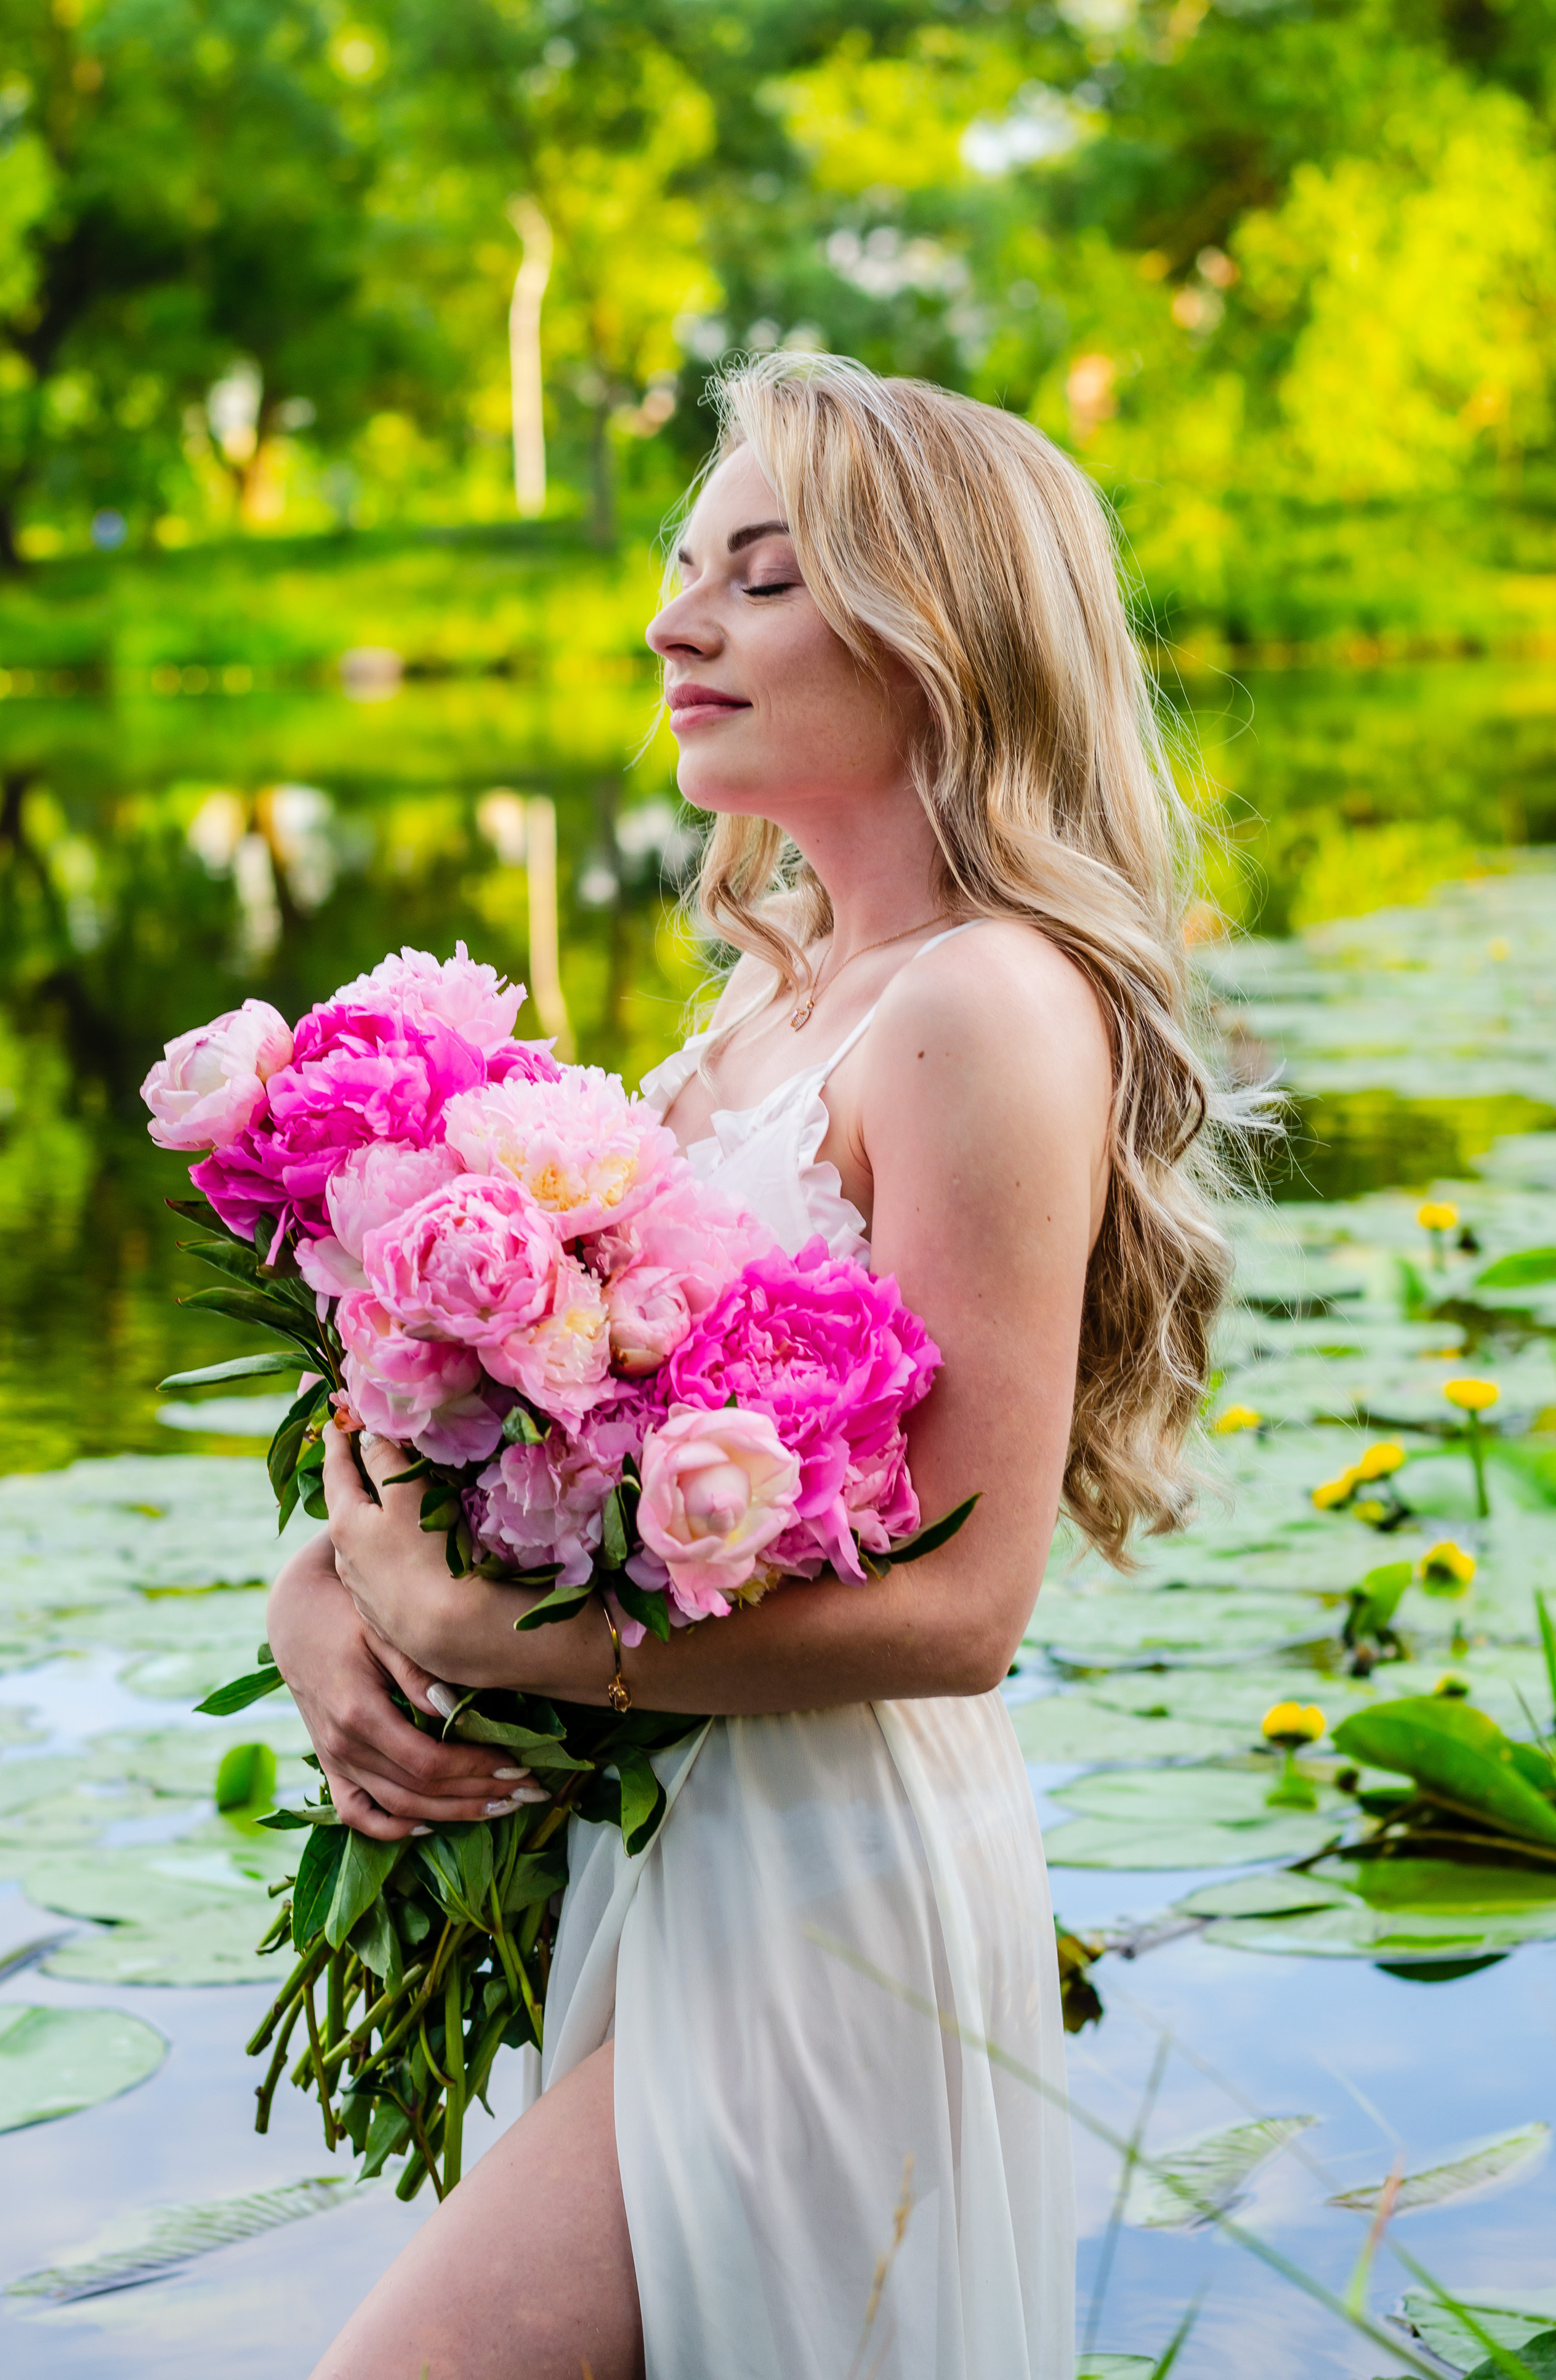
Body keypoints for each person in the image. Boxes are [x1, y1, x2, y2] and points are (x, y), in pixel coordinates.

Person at [272, 353, 1236, 2380]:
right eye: (681, 566)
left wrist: (496, 1637)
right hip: (680, 1839)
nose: (672, 622)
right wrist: (335, 1588)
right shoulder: (769, 1003)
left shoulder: (983, 1005)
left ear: (938, 629)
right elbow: (508, 1451)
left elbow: (967, 1610)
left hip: (834, 1873)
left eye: (762, 576)